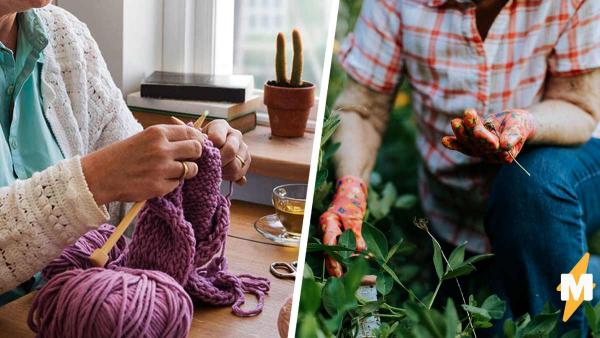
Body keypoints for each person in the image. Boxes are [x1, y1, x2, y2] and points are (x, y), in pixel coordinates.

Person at [321, 0, 600, 335]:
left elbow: (579, 104)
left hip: (567, 161)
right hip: (458, 219)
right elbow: (362, 107)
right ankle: (582, 271)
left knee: (533, 187)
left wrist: (526, 122)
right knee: (491, 324)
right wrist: (351, 190)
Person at [0, 1, 250, 302]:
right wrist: (94, 180)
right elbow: (109, 175)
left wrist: (190, 162)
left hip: (77, 308)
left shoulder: (66, 36)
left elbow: (137, 206)